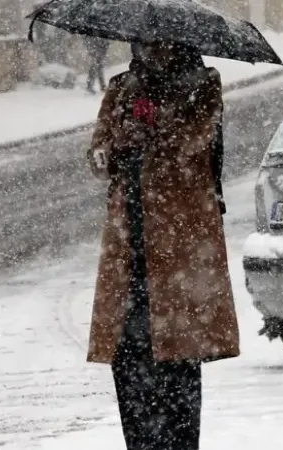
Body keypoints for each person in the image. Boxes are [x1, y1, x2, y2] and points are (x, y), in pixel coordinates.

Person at [84, 41, 239, 450]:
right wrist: (116, 146)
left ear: (177, 44)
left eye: (156, 43)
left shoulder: (201, 85)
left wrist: (154, 130)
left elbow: (196, 145)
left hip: (179, 249)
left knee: (177, 364)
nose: (147, 50)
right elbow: (97, 156)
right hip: (129, 251)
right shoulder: (121, 86)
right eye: (141, 42)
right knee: (129, 361)